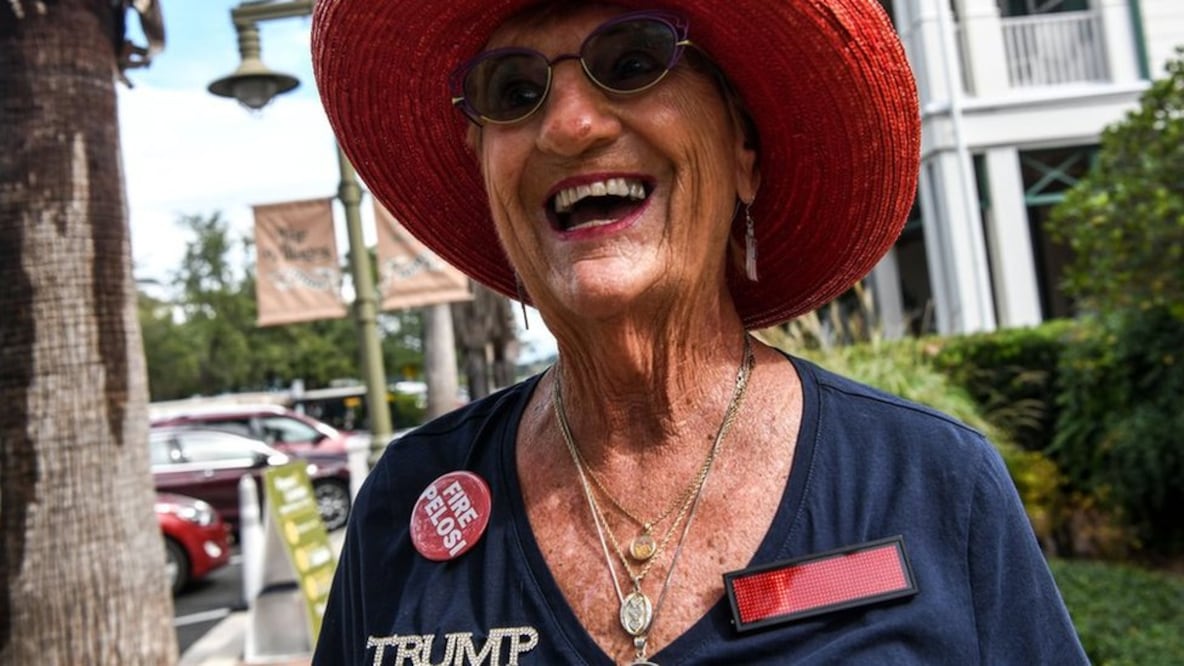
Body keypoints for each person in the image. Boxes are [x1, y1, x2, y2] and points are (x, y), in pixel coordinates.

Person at [310, 1, 1089, 664]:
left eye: (634, 60)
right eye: (512, 90)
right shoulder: (408, 501)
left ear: (743, 154)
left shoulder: (932, 484)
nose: (569, 125)